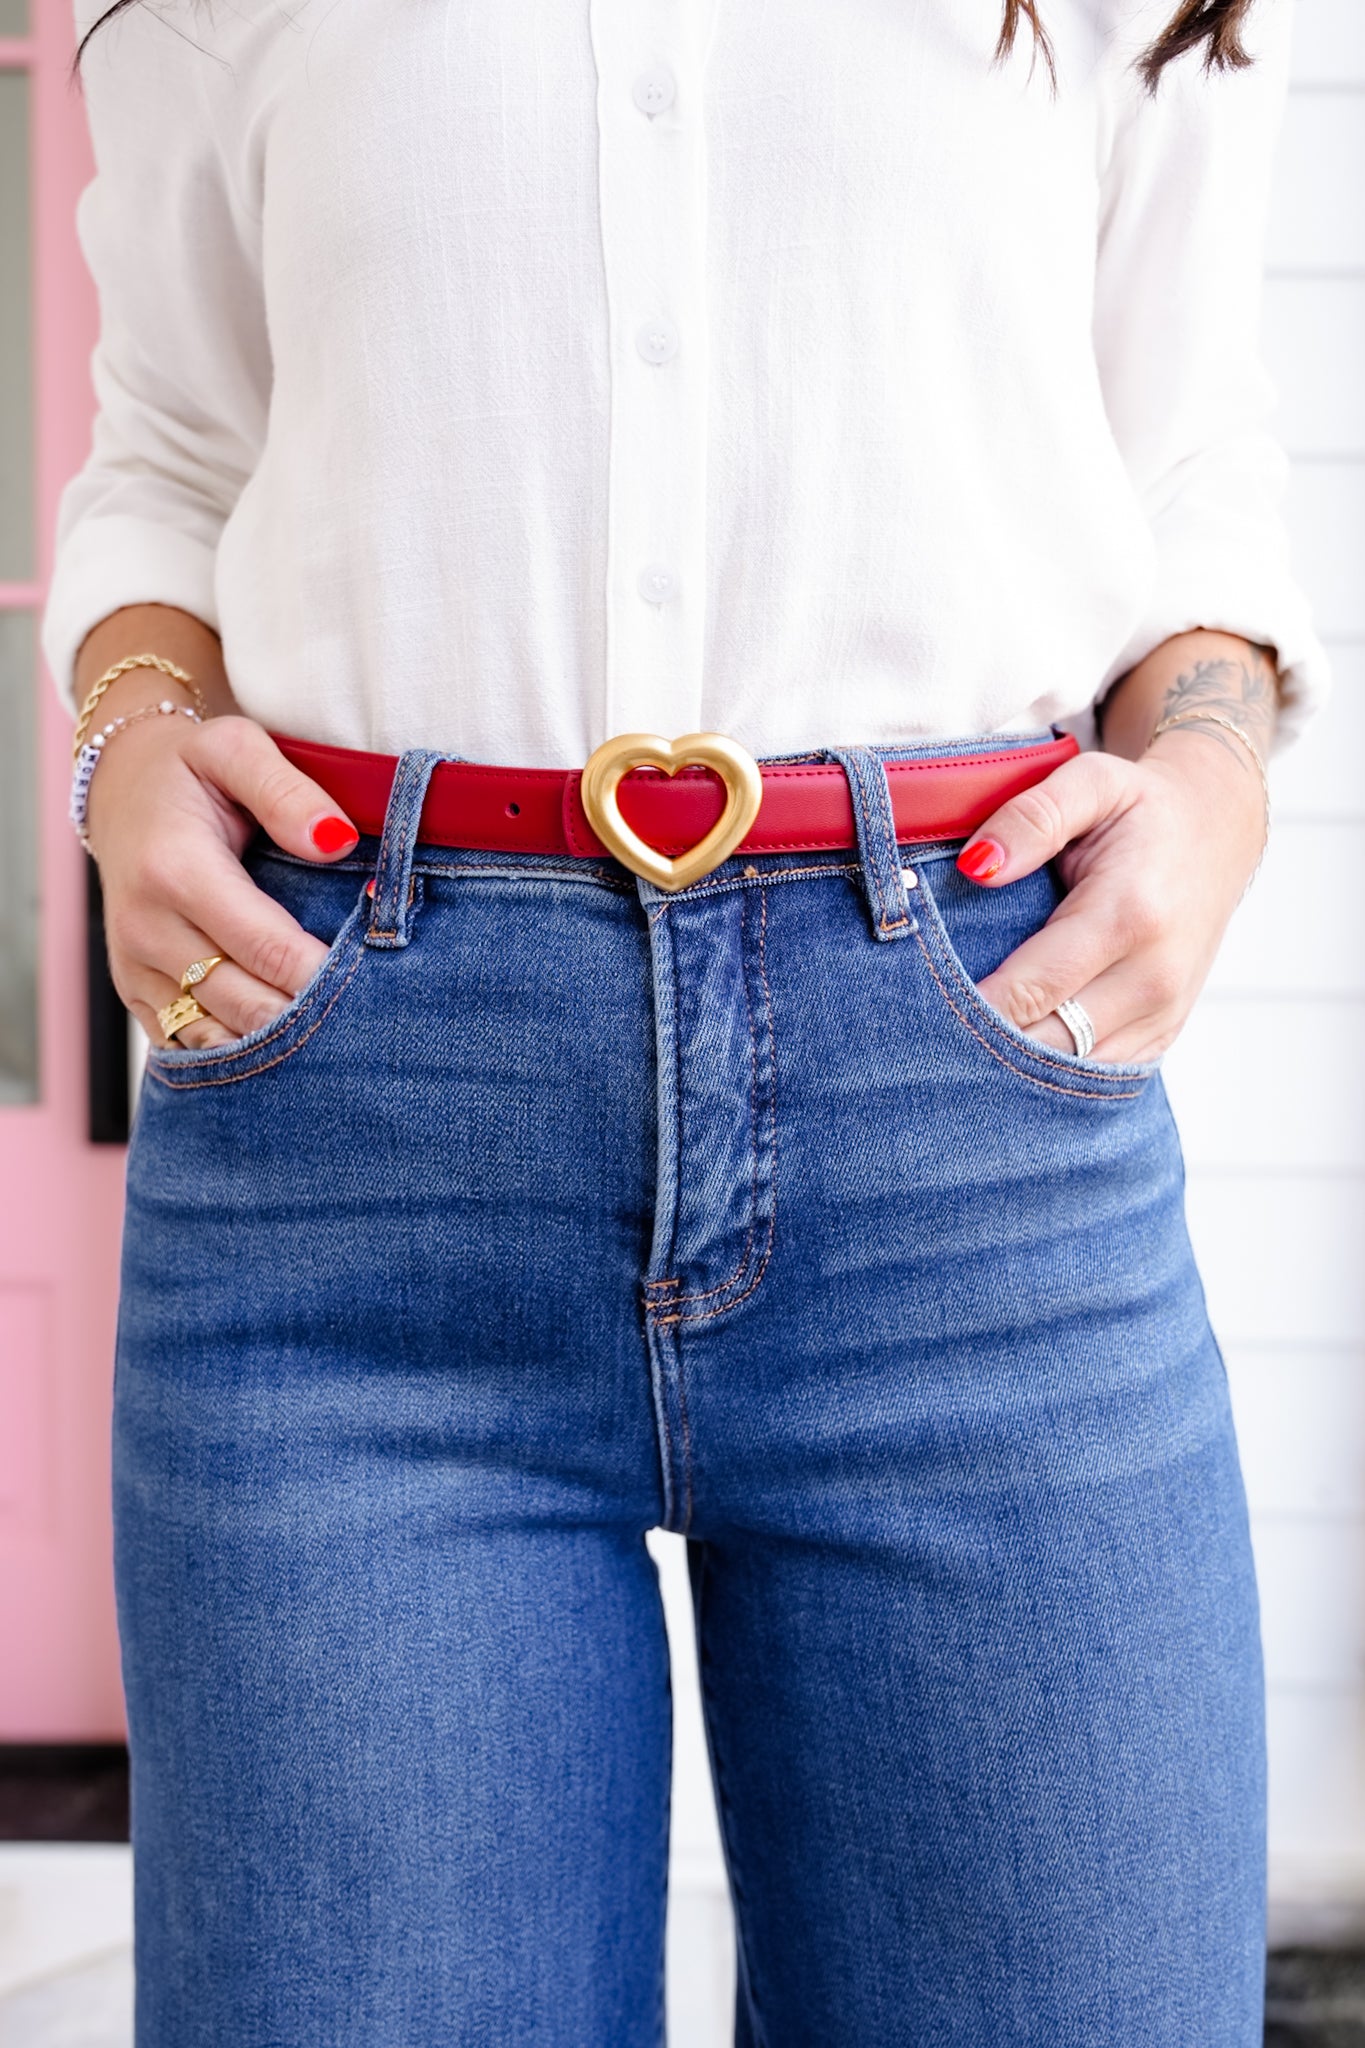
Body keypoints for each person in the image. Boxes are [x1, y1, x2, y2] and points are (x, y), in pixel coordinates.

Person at [46, 0, 1327, 2041]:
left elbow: (1181, 465)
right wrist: (123, 738)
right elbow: (178, 452)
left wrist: (1212, 779)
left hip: (974, 1111)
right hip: (357, 1132)